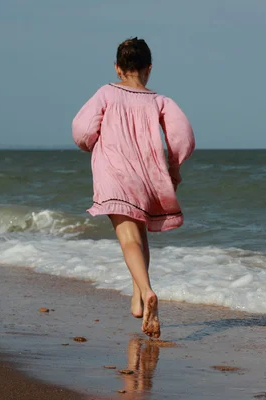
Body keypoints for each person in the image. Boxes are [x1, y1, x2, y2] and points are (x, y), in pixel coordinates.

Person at [72, 37, 195, 338]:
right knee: (140, 236)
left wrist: (91, 145)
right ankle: (138, 297)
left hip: (115, 174)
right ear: (149, 69)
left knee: (128, 239)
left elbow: (82, 130)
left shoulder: (105, 93)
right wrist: (174, 168)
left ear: (117, 68)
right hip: (148, 174)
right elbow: (184, 138)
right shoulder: (160, 101)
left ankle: (147, 291)